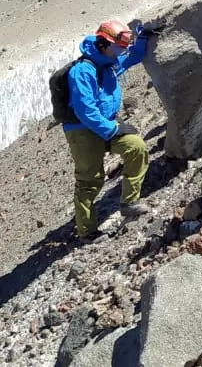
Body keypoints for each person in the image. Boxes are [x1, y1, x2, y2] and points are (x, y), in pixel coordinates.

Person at [64, 20, 154, 241]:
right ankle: (87, 231)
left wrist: (143, 39)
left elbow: (133, 56)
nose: (123, 50)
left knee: (137, 148)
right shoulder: (83, 71)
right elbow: (85, 110)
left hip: (107, 124)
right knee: (90, 180)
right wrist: (111, 131)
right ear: (104, 44)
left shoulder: (109, 62)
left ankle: (129, 203)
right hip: (82, 131)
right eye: (119, 46)